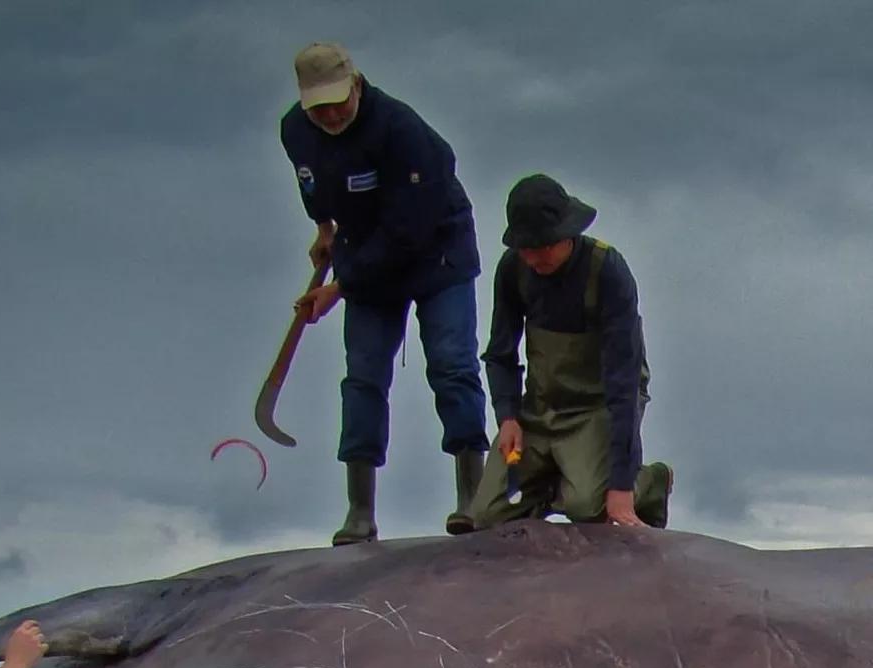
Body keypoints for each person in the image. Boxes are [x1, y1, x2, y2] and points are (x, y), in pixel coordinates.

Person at [280, 42, 489, 544]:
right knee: (364, 376)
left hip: (435, 250)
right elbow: (312, 184)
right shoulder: (296, 130)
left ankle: (473, 500)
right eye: (318, 106)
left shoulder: (403, 132)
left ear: (356, 83)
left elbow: (407, 232)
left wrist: (341, 287)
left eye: (337, 101)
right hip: (362, 252)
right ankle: (359, 511)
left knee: (451, 364)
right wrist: (325, 229)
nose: (329, 114)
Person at [470, 174, 672, 530]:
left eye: (543, 245)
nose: (534, 257)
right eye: (525, 247)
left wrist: (622, 484)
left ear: (568, 233)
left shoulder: (607, 271)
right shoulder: (513, 270)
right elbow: (500, 354)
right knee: (485, 516)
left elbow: (623, 383)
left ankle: (651, 482)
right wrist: (508, 417)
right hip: (540, 408)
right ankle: (550, 482)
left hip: (597, 407)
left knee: (592, 508)